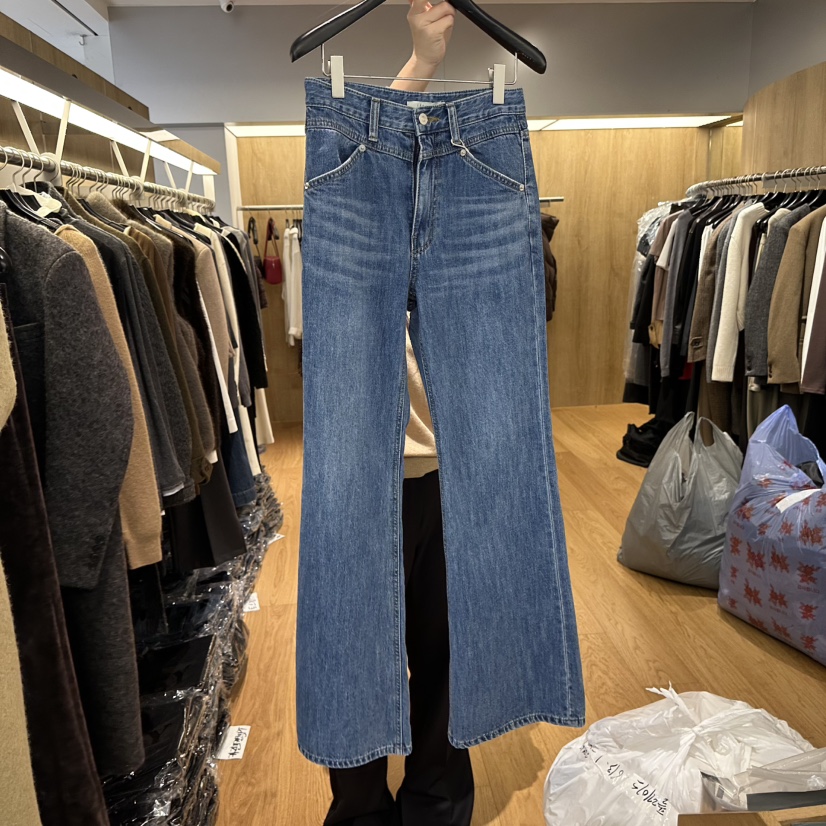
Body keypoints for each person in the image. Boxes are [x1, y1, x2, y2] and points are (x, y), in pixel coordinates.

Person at [323, 5, 474, 824]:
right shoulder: (351, 228)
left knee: (445, 650)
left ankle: (437, 797)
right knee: (354, 653)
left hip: (450, 473)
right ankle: (360, 809)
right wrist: (419, 62)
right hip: (362, 477)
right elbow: (366, 161)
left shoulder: (467, 228)